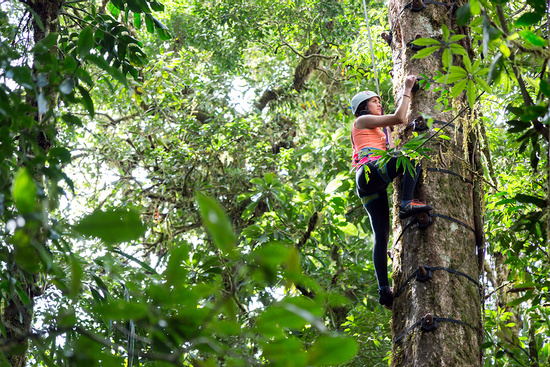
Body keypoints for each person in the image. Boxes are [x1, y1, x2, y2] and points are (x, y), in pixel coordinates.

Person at [350, 75, 433, 309]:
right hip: (369, 171)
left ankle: (384, 290)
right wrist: (407, 88)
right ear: (363, 108)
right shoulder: (362, 120)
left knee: (381, 237)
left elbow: (395, 125)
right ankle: (406, 202)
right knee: (413, 154)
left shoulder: (375, 128)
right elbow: (399, 117)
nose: (379, 104)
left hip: (367, 184)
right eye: (375, 101)